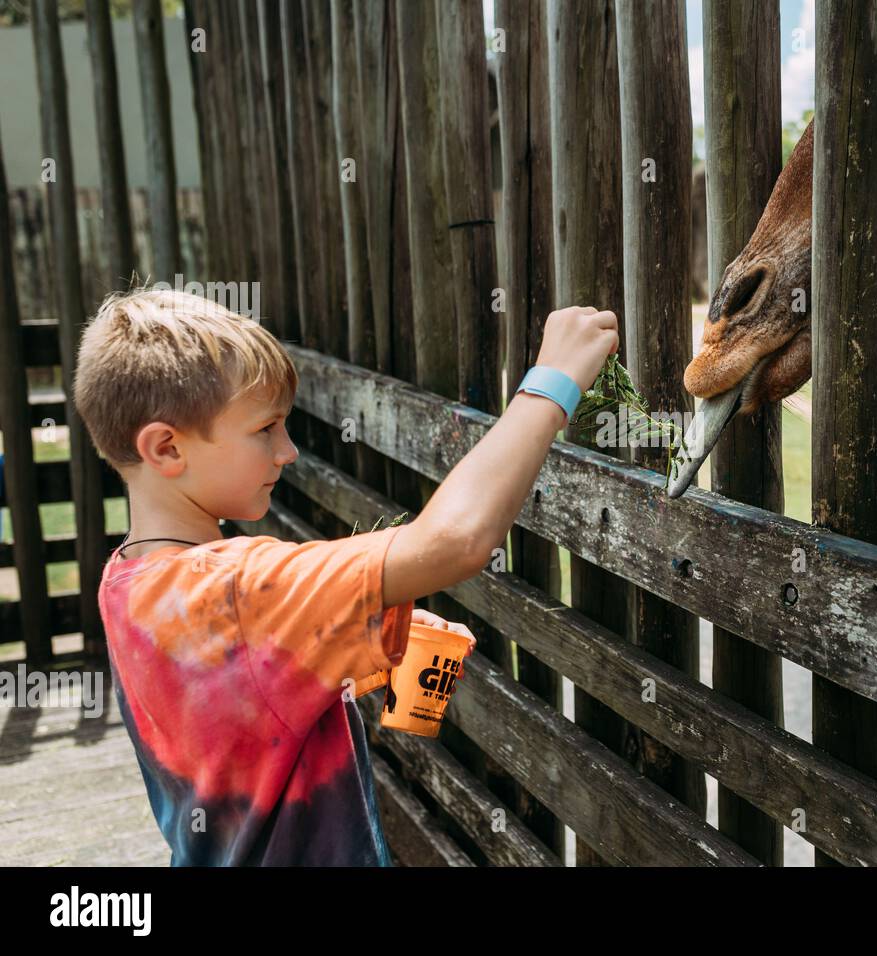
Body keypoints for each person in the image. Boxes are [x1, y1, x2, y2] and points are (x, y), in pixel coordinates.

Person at [74, 287, 618, 865]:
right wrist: (551, 382)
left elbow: (233, 711)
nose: (288, 452)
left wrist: (342, 653)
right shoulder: (239, 588)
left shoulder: (128, 580)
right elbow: (455, 542)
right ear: (165, 447)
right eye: (266, 428)